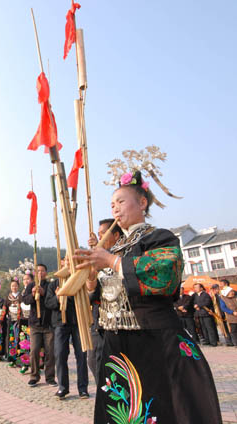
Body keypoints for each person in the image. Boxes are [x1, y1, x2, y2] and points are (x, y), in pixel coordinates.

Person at [73, 170, 222, 423]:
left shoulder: (159, 237)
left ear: (142, 203)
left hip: (154, 339)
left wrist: (109, 260)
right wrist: (89, 275)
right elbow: (102, 295)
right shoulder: (115, 248)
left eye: (121, 201)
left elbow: (164, 275)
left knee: (164, 408)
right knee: (123, 411)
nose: (116, 209)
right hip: (117, 344)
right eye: (112, 204)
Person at [45, 263, 89, 400]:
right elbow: (48, 303)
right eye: (65, 262)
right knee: (60, 354)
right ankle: (63, 388)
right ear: (61, 265)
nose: (68, 265)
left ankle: (83, 389)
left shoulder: (79, 280)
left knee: (81, 356)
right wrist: (58, 297)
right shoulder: (54, 284)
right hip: (60, 323)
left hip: (77, 322)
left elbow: (88, 298)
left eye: (70, 262)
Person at [87, 218, 123, 383]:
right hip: (100, 322)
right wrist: (91, 282)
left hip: (122, 322)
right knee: (94, 361)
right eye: (99, 234)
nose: (100, 238)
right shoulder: (96, 261)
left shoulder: (124, 257)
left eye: (103, 234)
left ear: (116, 235)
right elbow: (91, 297)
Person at [23, 265, 56, 387]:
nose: (40, 272)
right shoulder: (31, 285)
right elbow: (25, 300)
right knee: (34, 350)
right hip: (35, 324)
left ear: (46, 273)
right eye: (38, 271)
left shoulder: (50, 286)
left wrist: (44, 293)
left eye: (42, 271)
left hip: (48, 324)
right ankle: (34, 376)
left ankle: (50, 377)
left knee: (50, 352)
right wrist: (32, 295)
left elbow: (53, 301)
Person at [2, 278, 21, 366]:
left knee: (20, 338)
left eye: (16, 286)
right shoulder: (7, 298)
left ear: (18, 287)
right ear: (10, 287)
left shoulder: (21, 297)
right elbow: (4, 309)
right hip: (10, 321)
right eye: (13, 286)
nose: (14, 287)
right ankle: (11, 359)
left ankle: (20, 359)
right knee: (11, 339)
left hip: (20, 321)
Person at [19, 271, 32, 374]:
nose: (26, 281)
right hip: (23, 321)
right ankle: (24, 364)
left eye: (28, 279)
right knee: (23, 343)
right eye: (24, 279)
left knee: (35, 344)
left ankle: (37, 364)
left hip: (33, 321)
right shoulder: (21, 293)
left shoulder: (35, 291)